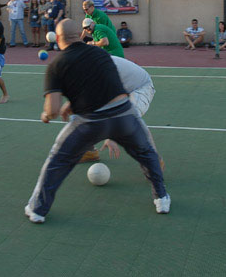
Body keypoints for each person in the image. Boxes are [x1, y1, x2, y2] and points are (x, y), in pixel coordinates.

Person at [24, 19, 169, 224]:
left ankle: (37, 209)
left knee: (57, 160)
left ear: (57, 39)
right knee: (145, 152)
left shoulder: (58, 65)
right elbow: (105, 87)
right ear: (81, 35)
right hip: (123, 115)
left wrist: (46, 115)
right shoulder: (100, 54)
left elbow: (53, 110)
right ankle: (162, 198)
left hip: (99, 117)